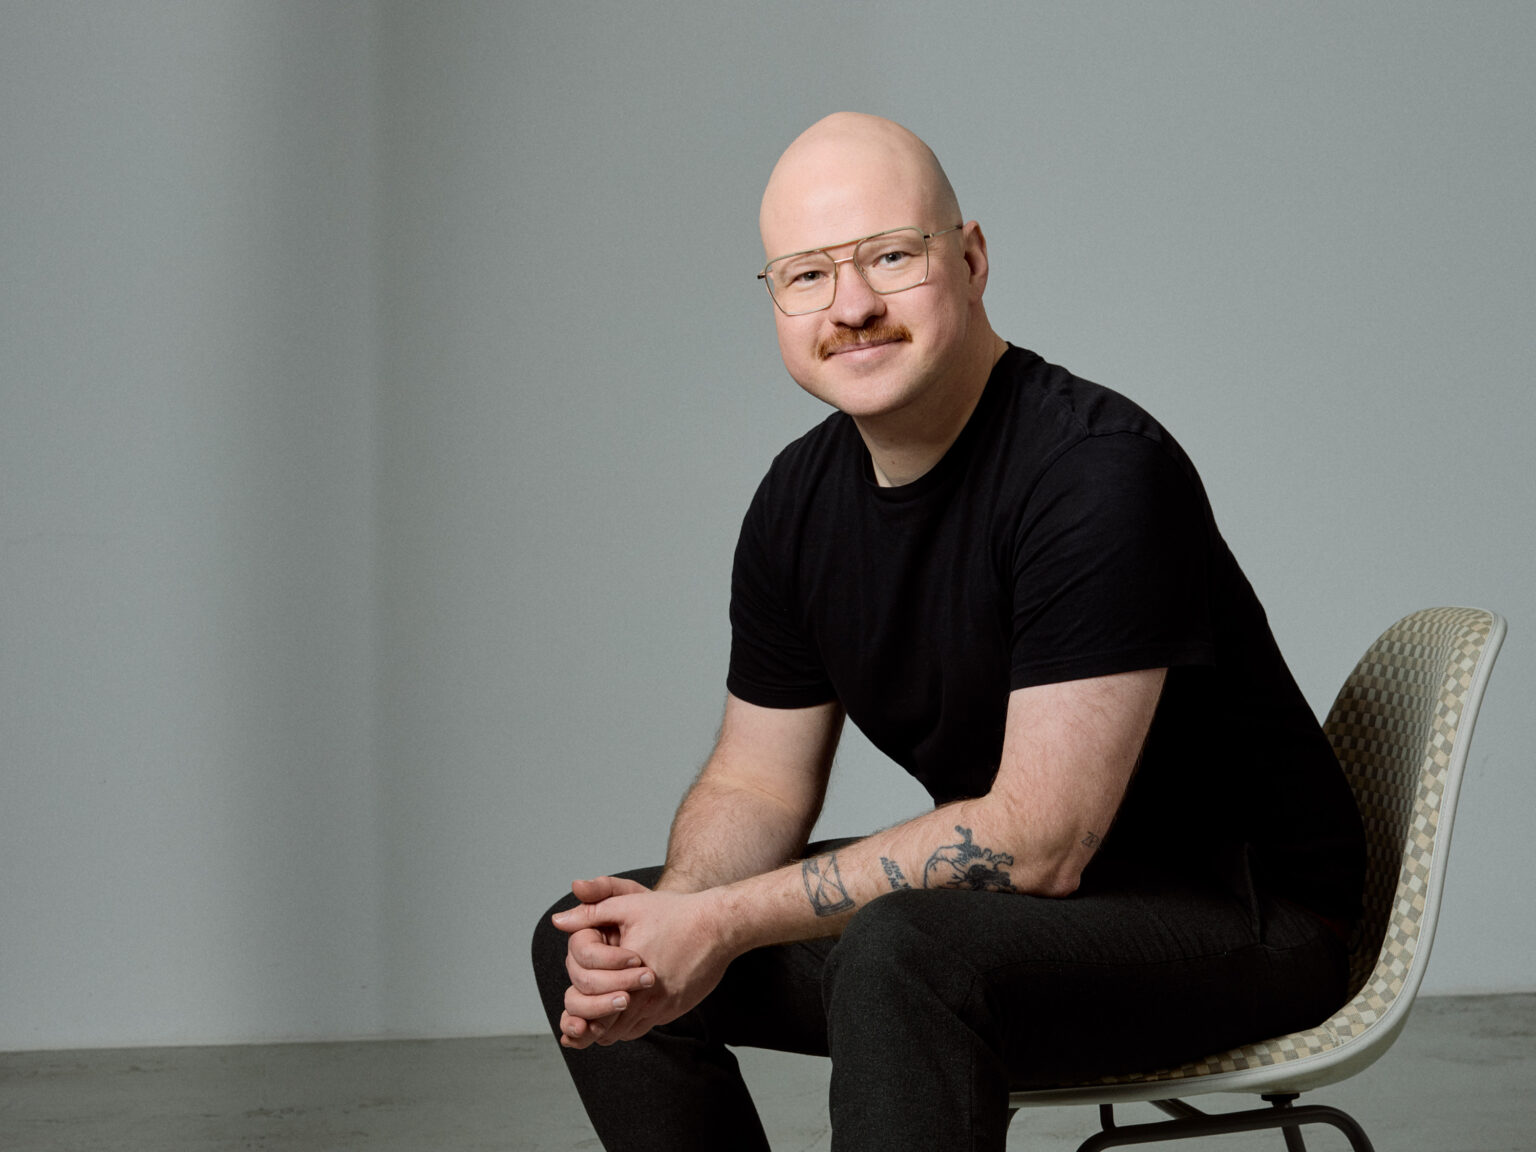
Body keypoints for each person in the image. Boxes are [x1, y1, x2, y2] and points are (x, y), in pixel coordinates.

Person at [530, 112, 1365, 1152]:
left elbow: (1040, 840)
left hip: (1243, 918)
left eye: (890, 256)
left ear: (969, 260)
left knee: (904, 956)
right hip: (1015, 919)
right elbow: (757, 784)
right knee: (599, 947)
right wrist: (682, 914)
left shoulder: (1097, 472)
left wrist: (726, 923)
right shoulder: (797, 501)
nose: (853, 307)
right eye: (808, 275)